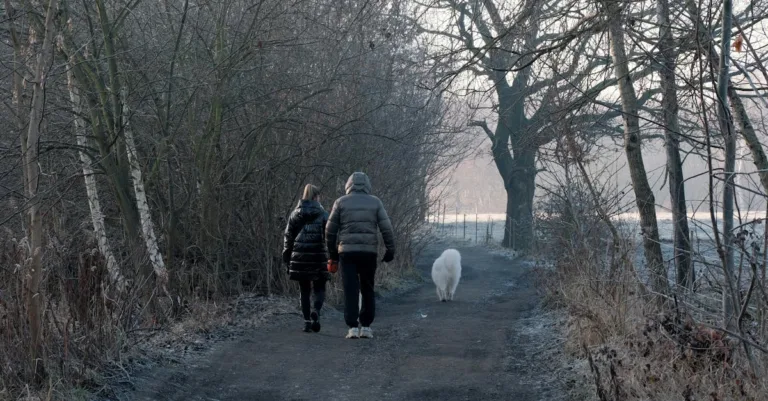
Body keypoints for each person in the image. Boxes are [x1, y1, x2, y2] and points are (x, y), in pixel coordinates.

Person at [326, 172, 395, 339]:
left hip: (347, 253)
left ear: (349, 185)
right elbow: (387, 228)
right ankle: (366, 326)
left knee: (350, 289)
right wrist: (390, 249)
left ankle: (352, 327)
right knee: (367, 288)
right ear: (367, 186)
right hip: (368, 252)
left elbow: (329, 230)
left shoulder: (340, 202)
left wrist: (333, 254)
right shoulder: (375, 202)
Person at [283, 184, 329, 333]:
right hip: (318, 255)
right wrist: (333, 255)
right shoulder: (323, 214)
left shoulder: (294, 214)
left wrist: (287, 259)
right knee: (320, 286)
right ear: (316, 197)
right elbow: (329, 236)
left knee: (304, 290)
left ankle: (306, 322)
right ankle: (316, 310)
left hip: (300, 256)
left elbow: (288, 238)